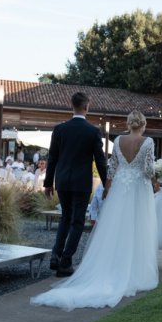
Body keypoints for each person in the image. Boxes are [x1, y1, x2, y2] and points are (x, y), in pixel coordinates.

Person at [32, 109, 158, 311]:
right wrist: (155, 178)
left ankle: (112, 267)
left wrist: (107, 189)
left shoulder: (117, 141)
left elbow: (112, 169)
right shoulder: (148, 142)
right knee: (137, 227)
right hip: (139, 189)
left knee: (115, 229)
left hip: (120, 188)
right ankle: (134, 270)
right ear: (143, 124)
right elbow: (149, 169)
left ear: (128, 123)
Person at [40, 92, 109, 278]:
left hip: (62, 181)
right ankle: (65, 261)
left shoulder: (59, 130)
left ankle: (56, 253)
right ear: (87, 107)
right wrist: (106, 184)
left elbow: (52, 157)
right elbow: (100, 161)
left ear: (72, 106)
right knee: (77, 221)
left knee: (65, 217)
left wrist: (48, 183)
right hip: (81, 183)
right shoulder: (93, 131)